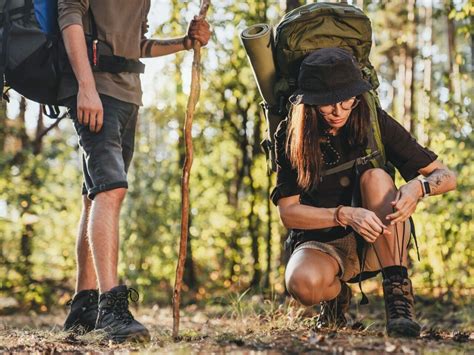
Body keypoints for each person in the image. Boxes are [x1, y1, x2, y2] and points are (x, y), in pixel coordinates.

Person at [271, 48, 456, 338]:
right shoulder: (290, 135)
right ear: (309, 103)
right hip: (324, 245)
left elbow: (446, 176)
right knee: (302, 284)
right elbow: (288, 213)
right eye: (327, 104)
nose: (339, 111)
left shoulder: (373, 121)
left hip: (379, 239)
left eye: (347, 100)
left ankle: (398, 304)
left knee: (376, 177)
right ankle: (335, 298)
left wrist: (418, 187)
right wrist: (343, 214)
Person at [58, 0, 211, 342]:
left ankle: (84, 307)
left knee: (95, 194)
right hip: (96, 90)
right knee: (111, 189)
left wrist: (185, 43)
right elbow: (69, 17)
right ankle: (111, 309)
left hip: (128, 94)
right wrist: (85, 86)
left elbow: (136, 45)